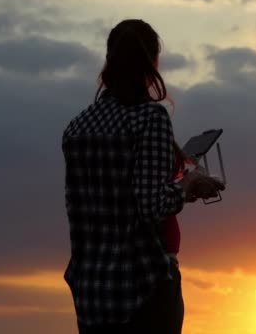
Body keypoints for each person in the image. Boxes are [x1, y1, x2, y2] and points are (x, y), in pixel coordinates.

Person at [61, 19, 225, 334]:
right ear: (152, 63)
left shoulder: (76, 127)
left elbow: (106, 195)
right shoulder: (151, 119)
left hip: (92, 291)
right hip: (143, 287)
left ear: (109, 60)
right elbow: (149, 205)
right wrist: (188, 186)